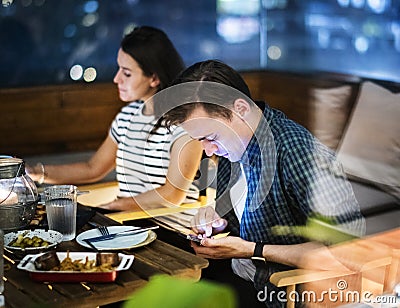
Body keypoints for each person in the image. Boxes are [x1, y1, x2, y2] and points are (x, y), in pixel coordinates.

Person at [155, 60, 365, 306]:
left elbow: (343, 251)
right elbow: (240, 223)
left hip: (281, 292)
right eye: (199, 140)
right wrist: (217, 223)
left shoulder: (298, 152)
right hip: (239, 275)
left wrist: (252, 249)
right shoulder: (233, 149)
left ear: (241, 109)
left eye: (210, 137)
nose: (207, 150)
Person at [27, 26, 203, 211]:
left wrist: (113, 207)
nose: (116, 79)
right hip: (127, 223)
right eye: (119, 69)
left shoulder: (186, 124)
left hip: (169, 228)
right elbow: (93, 168)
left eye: (127, 73)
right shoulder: (128, 115)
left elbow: (172, 194)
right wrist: (37, 173)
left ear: (154, 78)